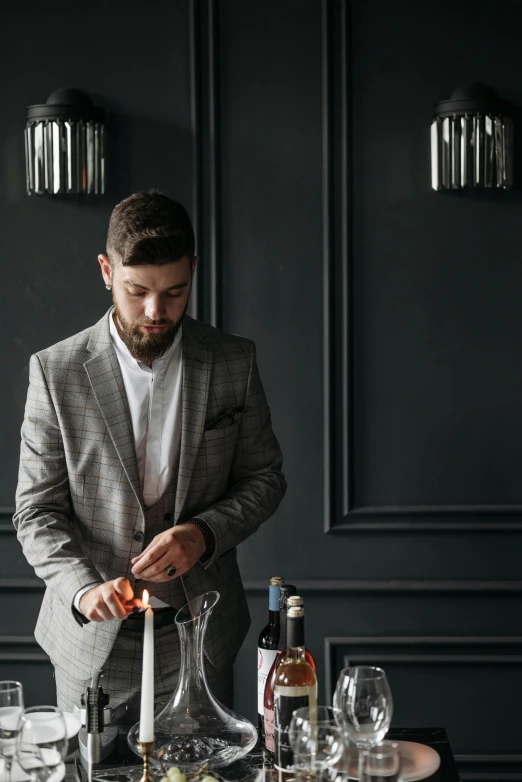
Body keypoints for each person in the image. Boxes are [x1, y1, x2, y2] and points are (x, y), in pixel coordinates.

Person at [14, 190, 286, 720]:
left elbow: (265, 478)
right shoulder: (56, 372)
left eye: (175, 292)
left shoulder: (234, 361)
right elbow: (35, 512)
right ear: (106, 270)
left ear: (194, 272)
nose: (155, 312)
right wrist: (81, 588)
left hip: (202, 636)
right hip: (93, 647)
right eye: (137, 291)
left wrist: (203, 534)